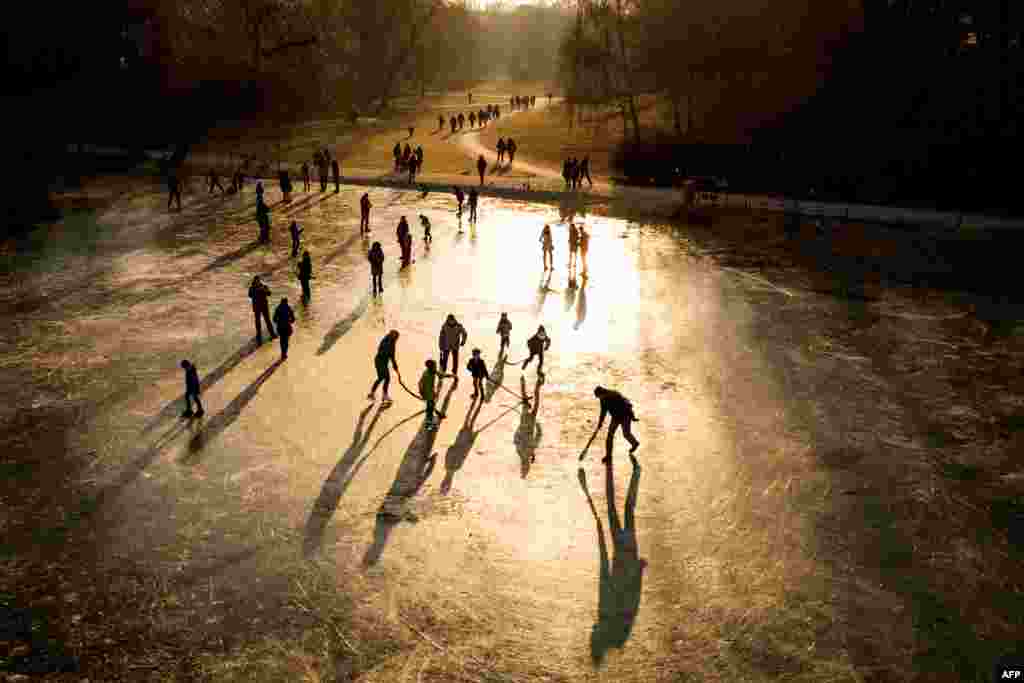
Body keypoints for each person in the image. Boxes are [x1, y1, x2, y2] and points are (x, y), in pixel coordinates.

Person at [584, 386, 640, 464]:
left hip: (625, 416)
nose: (599, 398)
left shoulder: (615, 394)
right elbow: (603, 412)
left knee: (626, 434)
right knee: (609, 436)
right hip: (615, 418)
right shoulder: (602, 400)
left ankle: (635, 443)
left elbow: (627, 404)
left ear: (602, 393)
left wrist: (632, 416)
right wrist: (600, 423)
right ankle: (608, 456)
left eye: (599, 396)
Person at [420, 359, 454, 431]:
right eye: (435, 366)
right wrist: (423, 394)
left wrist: (451, 376)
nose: (436, 367)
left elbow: (441, 374)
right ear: (431, 367)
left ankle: (433, 418)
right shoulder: (427, 375)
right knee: (430, 410)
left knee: (431, 406)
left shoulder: (430, 371)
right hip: (429, 395)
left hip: (430, 394)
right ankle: (429, 424)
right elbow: (421, 384)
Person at [368, 330, 400, 405]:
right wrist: (394, 365)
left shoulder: (389, 341)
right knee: (386, 378)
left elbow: (391, 356)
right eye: (396, 337)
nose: (397, 339)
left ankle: (372, 394)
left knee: (381, 378)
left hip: (382, 362)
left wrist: (395, 365)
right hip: (380, 362)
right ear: (393, 336)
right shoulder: (388, 342)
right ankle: (384, 395)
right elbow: (390, 355)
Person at [248, 276, 275, 342]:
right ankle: (259, 336)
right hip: (256, 307)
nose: (257, 282)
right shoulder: (252, 288)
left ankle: (272, 334)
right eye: (256, 281)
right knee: (258, 322)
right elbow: (250, 295)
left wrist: (264, 290)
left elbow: (269, 293)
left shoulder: (264, 286)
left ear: (260, 281)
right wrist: (256, 290)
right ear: (254, 281)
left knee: (268, 320)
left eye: (258, 280)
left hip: (264, 307)